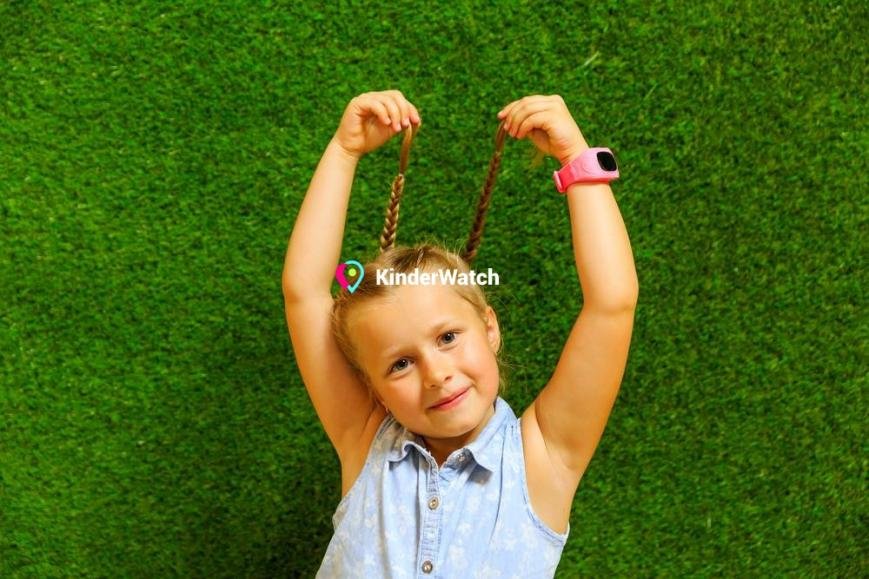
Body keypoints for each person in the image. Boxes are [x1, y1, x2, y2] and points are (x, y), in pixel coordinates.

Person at [282, 89, 638, 577]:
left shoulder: (541, 460)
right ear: (373, 387)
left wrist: (577, 158)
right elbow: (304, 292)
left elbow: (612, 304)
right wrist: (344, 151)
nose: (436, 373)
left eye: (448, 337)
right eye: (400, 363)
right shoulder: (365, 443)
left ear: (489, 327)